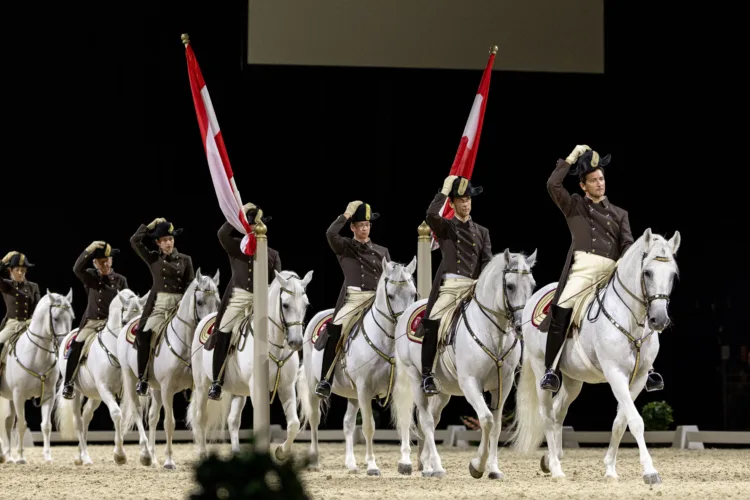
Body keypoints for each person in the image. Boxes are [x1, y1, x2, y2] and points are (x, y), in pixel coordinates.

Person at [539, 145, 663, 392]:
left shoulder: (620, 214)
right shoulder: (574, 205)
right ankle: (551, 370)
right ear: (583, 186)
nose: (599, 183)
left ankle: (648, 368)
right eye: (593, 180)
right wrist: (571, 158)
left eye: (601, 179)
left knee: (643, 302)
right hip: (584, 271)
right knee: (562, 307)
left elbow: (627, 244)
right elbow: (553, 185)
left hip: (612, 270)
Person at [419, 175, 492, 395]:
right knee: (433, 322)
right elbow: (431, 214)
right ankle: (427, 374)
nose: (466, 203)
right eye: (461, 199)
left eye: (468, 199)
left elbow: (487, 261)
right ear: (452, 203)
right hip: (452, 287)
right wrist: (444, 190)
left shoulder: (482, 231)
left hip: (475, 287)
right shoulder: (446, 227)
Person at [315, 201, 390, 398]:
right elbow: (330, 234)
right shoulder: (345, 247)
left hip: (378, 299)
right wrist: (346, 213)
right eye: (360, 225)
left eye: (367, 225)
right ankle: (326, 379)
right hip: (356, 299)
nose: (364, 229)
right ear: (353, 228)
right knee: (336, 329)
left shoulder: (382, 251)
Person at [208, 203, 282, 401]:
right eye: (249, 225)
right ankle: (217, 381)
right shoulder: (236, 246)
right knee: (223, 331)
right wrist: (238, 214)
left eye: (256, 224)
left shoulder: (273, 254)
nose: (253, 228)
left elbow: (276, 283)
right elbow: (221, 234)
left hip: (263, 298)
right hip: (240, 297)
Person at [130, 218, 194, 396]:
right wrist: (148, 226)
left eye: (170, 239)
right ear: (158, 243)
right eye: (164, 240)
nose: (168, 243)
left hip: (180, 306)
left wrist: (186, 301)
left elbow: (189, 283)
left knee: (196, 335)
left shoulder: (185, 259)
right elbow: (134, 241)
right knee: (143, 334)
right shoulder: (153, 258)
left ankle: (195, 375)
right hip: (159, 306)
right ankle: (143, 378)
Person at [62, 241, 129, 399]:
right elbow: (76, 268)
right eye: (100, 262)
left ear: (111, 261)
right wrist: (89, 249)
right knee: (76, 345)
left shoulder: (121, 280)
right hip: (92, 323)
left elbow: (126, 301)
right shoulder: (90, 276)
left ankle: (138, 380)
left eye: (107, 260)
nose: (104, 264)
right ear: (95, 263)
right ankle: (68, 383)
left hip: (113, 324)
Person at [0, 252, 40, 359]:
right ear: (10, 271)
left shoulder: (33, 287)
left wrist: (32, 319)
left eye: (22, 270)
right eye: (17, 270)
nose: (20, 273)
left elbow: (37, 307)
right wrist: (5, 259)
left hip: (29, 324)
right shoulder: (6, 285)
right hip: (12, 324)